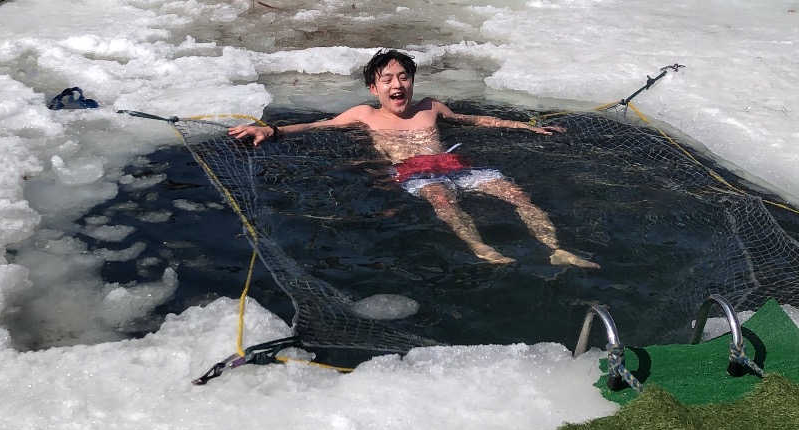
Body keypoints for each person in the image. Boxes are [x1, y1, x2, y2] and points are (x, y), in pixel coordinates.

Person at [229, 49, 599, 269]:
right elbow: (317, 125)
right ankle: (481, 247)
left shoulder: (430, 107)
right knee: (443, 198)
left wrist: (525, 126)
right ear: (374, 88)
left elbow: (472, 120)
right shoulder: (364, 114)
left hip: (454, 164)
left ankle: (556, 249)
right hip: (414, 172)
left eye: (403, 77)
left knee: (516, 194)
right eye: (387, 79)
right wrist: (272, 130)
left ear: (412, 81)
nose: (397, 85)